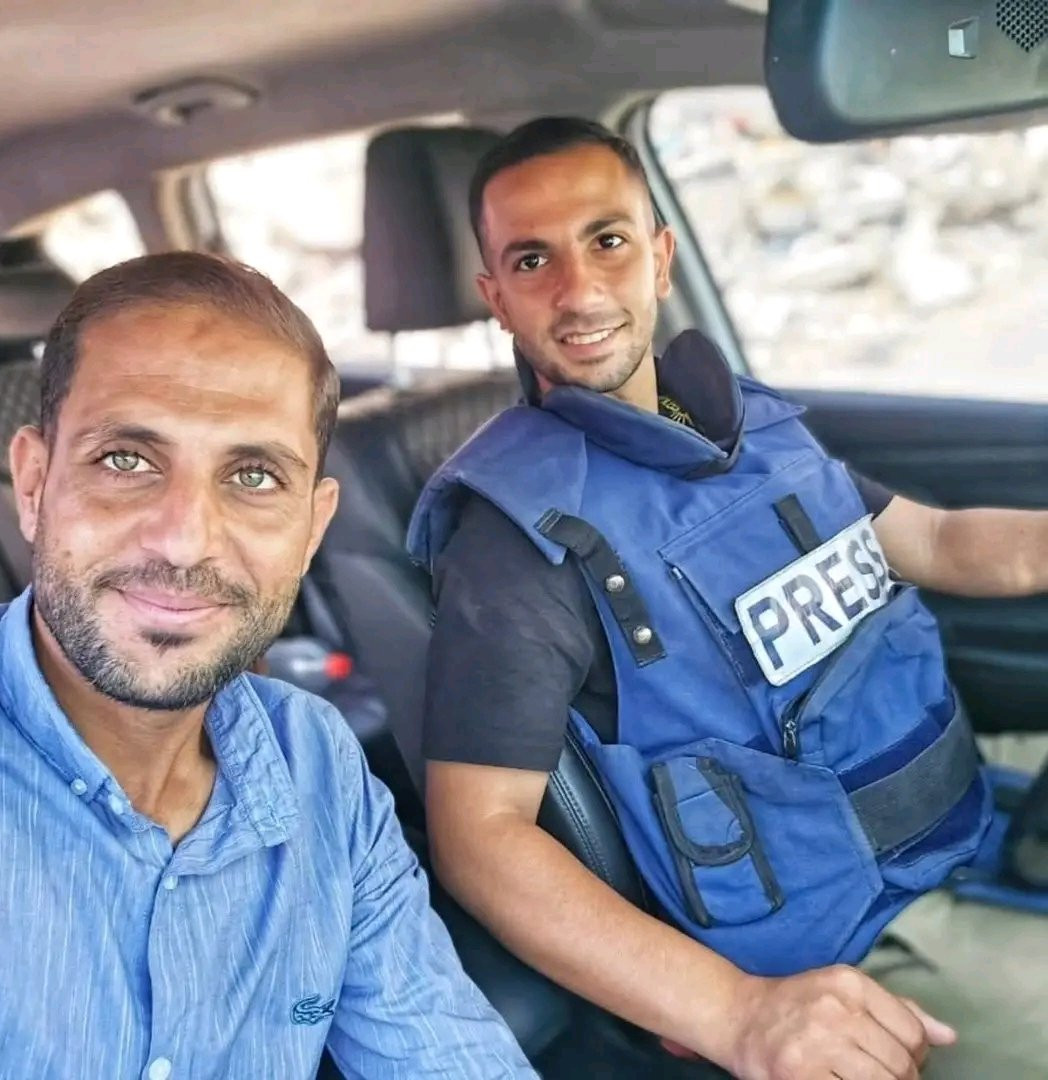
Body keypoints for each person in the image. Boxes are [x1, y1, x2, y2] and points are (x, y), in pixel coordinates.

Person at [408, 117, 1048, 1080]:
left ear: (660, 257)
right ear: (495, 297)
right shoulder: (515, 541)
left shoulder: (741, 429)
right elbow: (480, 836)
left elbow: (933, 541)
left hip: (969, 801)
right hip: (854, 940)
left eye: (607, 241)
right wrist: (735, 1013)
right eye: (532, 260)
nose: (579, 290)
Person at [0, 252, 536, 1080]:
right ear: (31, 483)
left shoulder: (317, 766)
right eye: (126, 460)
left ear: (312, 529)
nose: (184, 541)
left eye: (254, 476)